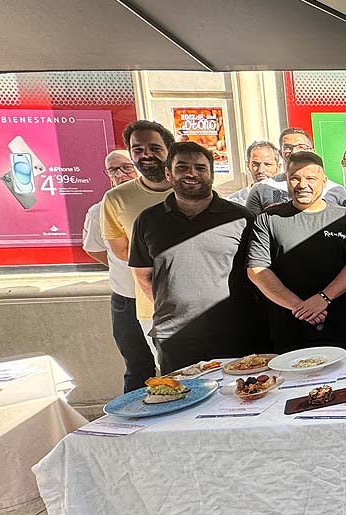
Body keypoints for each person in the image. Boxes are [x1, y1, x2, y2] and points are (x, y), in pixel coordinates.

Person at [129, 142, 259, 371]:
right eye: (183, 167)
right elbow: (143, 275)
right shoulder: (148, 220)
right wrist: (175, 310)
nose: (192, 174)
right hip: (175, 336)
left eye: (200, 168)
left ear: (211, 174)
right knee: (181, 400)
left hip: (235, 333)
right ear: (168, 173)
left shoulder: (241, 218)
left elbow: (257, 272)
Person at [247, 152, 346, 353]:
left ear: (324, 181)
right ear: (287, 179)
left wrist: (323, 299)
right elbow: (257, 270)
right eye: (295, 177)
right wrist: (299, 307)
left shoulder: (345, 217)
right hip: (289, 329)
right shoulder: (269, 218)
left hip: (340, 326)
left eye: (311, 178)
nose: (302, 184)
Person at [101, 120, 176, 366]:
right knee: (174, 377)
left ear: (169, 150)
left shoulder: (193, 189)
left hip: (208, 306)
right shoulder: (115, 199)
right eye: (138, 150)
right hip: (154, 307)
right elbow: (122, 251)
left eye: (154, 148)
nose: (146, 156)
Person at [83, 150, 153, 391]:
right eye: (113, 170)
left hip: (158, 298)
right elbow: (95, 250)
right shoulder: (99, 210)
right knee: (138, 366)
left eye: (126, 167)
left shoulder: (158, 203)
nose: (120, 174)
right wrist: (122, 265)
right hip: (128, 299)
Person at [245, 128, 346, 215]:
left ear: (312, 151)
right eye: (288, 148)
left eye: (301, 147)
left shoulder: (336, 190)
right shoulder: (261, 189)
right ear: (281, 153)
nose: (294, 151)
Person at [226, 141, 280, 205]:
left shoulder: (288, 198)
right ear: (248, 166)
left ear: (278, 167)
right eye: (255, 164)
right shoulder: (234, 202)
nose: (260, 170)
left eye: (267, 164)